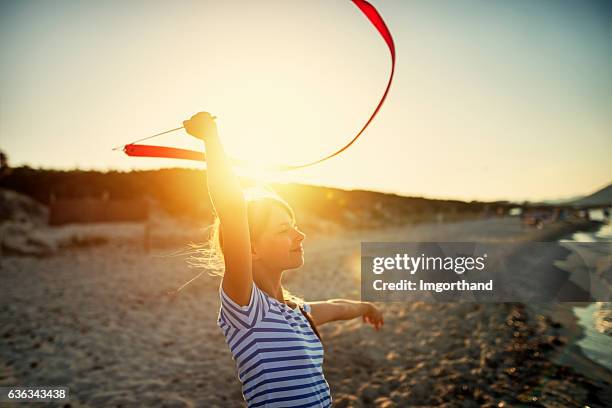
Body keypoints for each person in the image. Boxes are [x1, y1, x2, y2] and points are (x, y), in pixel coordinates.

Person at [183, 112, 384, 407]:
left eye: (294, 226)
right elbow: (232, 208)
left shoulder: (297, 312)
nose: (300, 235)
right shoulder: (247, 307)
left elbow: (337, 307)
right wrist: (211, 139)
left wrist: (367, 306)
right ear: (250, 248)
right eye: (282, 229)